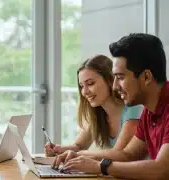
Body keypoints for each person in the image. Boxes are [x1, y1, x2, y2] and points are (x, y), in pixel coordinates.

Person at [52, 33, 169, 180]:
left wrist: (100, 166)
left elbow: (162, 169)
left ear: (146, 77)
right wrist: (81, 156)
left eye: (120, 78)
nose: (114, 86)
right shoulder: (149, 111)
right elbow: (128, 154)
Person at [45, 54, 143, 157]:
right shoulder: (99, 114)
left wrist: (77, 155)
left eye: (90, 83)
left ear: (110, 80)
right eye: (82, 86)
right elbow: (78, 146)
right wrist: (59, 150)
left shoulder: (134, 111)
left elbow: (118, 155)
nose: (84, 92)